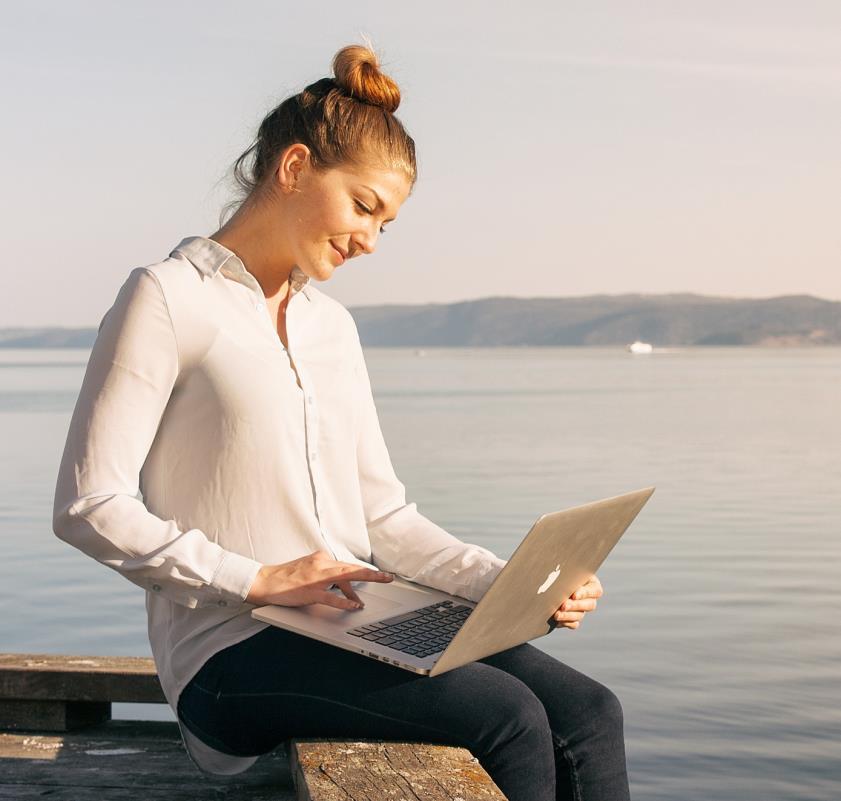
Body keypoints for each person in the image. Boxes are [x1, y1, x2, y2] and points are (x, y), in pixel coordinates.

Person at [52, 43, 629, 801]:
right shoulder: (166, 298)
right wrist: (256, 578)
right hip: (230, 648)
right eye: (363, 207)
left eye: (386, 224)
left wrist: (514, 587)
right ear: (294, 169)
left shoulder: (331, 327)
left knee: (589, 711)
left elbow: (382, 518)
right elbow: (88, 505)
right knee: (509, 716)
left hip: (356, 620)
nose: (369, 240)